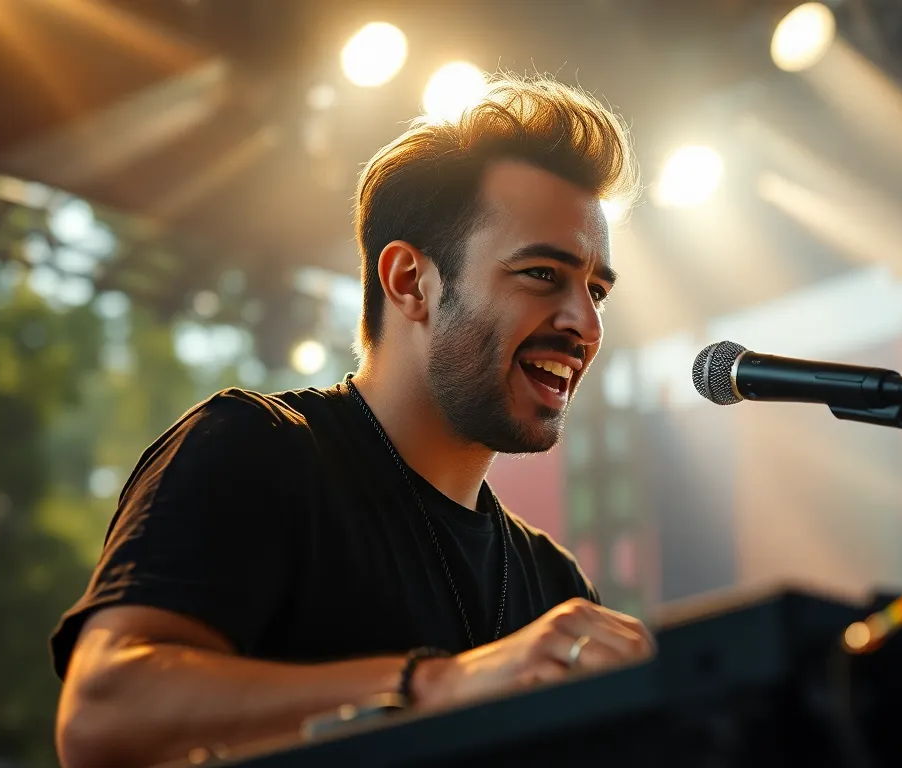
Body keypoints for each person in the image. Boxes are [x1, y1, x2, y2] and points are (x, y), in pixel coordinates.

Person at [51, 74, 653, 768]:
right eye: (544, 275)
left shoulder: (555, 586)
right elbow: (101, 713)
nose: (585, 323)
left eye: (598, 289)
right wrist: (438, 685)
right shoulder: (257, 449)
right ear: (410, 282)